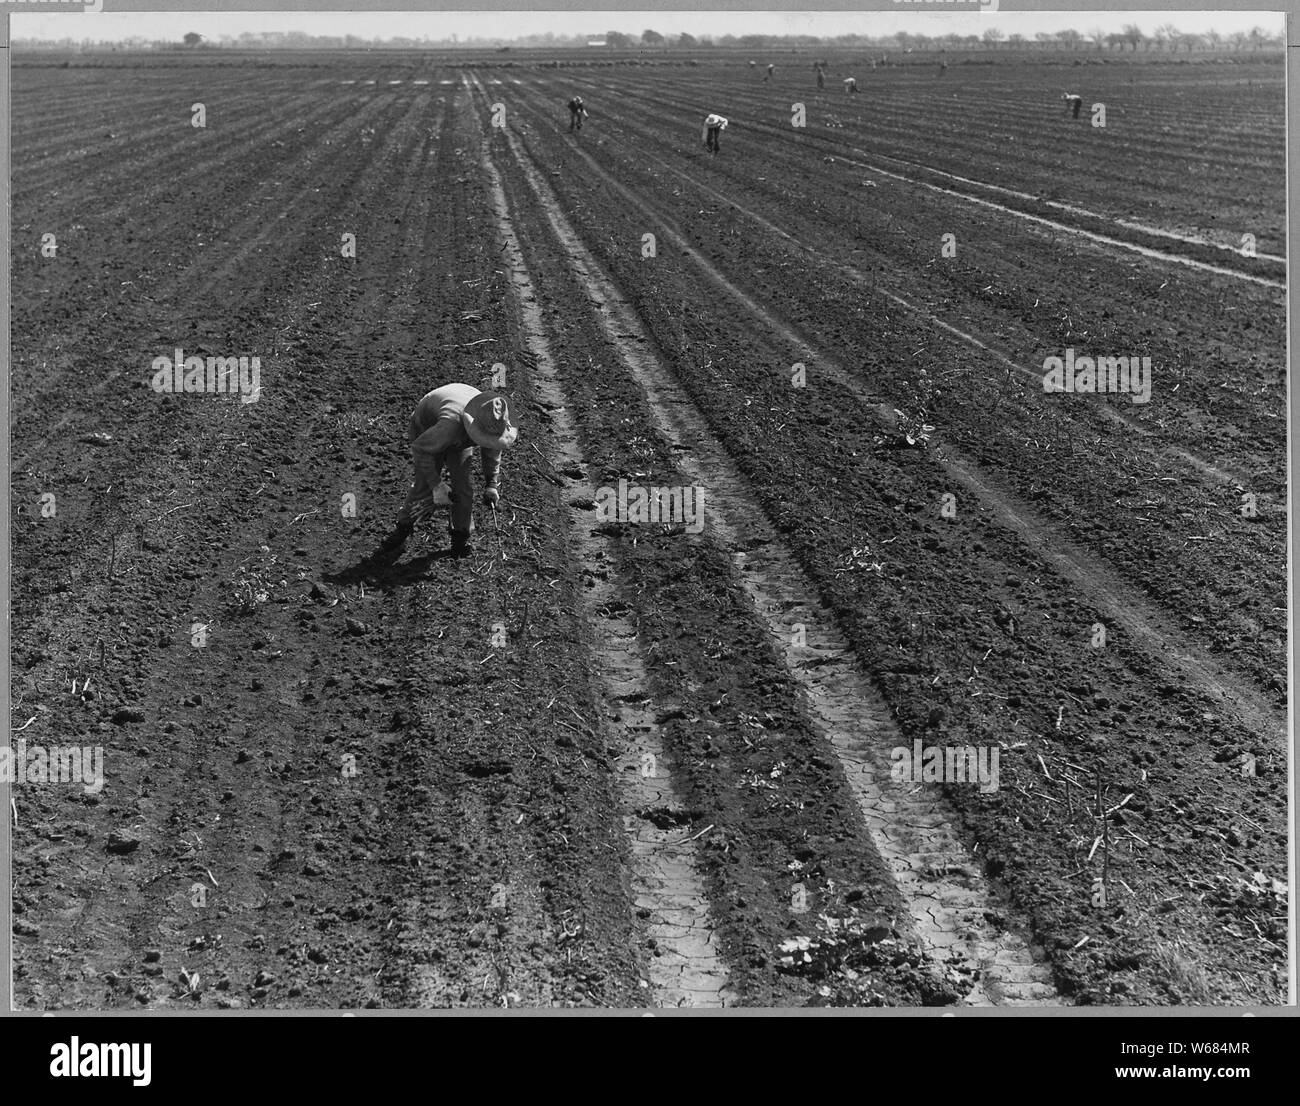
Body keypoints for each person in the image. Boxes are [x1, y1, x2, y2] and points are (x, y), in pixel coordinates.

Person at [378, 383, 519, 558]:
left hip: (458, 431)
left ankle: (460, 536)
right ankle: (402, 529)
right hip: (427, 429)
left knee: (463, 487)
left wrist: (491, 484)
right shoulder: (451, 425)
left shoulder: (493, 422)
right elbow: (421, 449)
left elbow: (491, 452)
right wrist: (437, 485)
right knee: (424, 486)